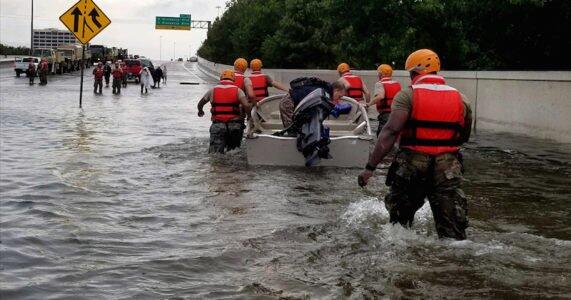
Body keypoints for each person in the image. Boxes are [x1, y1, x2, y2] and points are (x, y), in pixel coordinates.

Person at [358, 49, 473, 241]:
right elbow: (463, 136)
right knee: (453, 233)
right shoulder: (461, 98)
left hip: (412, 164)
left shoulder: (407, 96)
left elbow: (390, 132)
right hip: (448, 168)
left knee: (399, 227)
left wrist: (370, 168)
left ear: (414, 72)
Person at [197, 70, 252, 154]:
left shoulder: (212, 90)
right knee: (234, 152)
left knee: (215, 154)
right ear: (233, 79)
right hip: (234, 125)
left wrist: (200, 111)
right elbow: (247, 106)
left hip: (217, 125)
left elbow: (200, 104)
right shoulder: (238, 90)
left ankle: (217, 166)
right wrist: (249, 116)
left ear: (221, 78)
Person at [279, 79, 347, 128]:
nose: (339, 99)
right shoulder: (325, 93)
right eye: (339, 96)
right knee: (292, 130)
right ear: (336, 90)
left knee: (298, 129)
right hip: (288, 103)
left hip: (291, 101)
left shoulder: (325, 89)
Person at [366, 64, 402, 136]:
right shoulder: (397, 84)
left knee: (382, 135)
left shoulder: (379, 84)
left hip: (386, 114)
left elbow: (380, 96)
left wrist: (369, 104)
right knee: (394, 134)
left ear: (381, 74)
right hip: (397, 113)